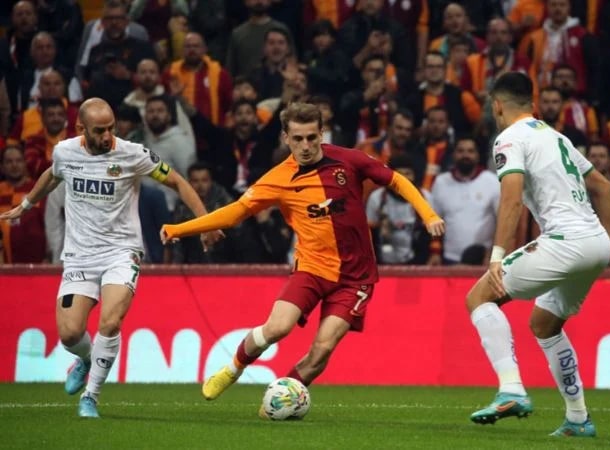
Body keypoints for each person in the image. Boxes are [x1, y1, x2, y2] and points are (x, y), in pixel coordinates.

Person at [160, 102, 445, 409]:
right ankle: (233, 369)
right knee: (277, 328)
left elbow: (396, 180)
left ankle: (278, 402)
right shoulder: (277, 179)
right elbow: (236, 212)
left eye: (311, 137)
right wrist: (180, 229)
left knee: (322, 350)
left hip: (355, 278)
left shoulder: (349, 159)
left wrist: (428, 215)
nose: (306, 146)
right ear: (286, 138)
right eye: (298, 139)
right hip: (311, 268)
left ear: (321, 133)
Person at [0, 98, 222, 419]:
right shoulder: (65, 152)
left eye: (111, 129)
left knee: (110, 321)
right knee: (70, 334)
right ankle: (86, 359)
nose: (107, 137)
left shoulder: (133, 154)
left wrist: (204, 223)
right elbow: (53, 174)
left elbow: (176, 180)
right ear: (81, 129)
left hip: (121, 251)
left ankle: (90, 396)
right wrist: (26, 204)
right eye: (99, 131)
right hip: (80, 256)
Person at [465, 72, 610, 437]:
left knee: (478, 297)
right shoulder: (557, 136)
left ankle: (511, 390)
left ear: (497, 105)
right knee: (545, 324)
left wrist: (497, 257)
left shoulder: (508, 138)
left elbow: (511, 199)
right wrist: (605, 243)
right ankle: (578, 419)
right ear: (532, 103)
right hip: (593, 242)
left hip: (565, 241)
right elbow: (603, 186)